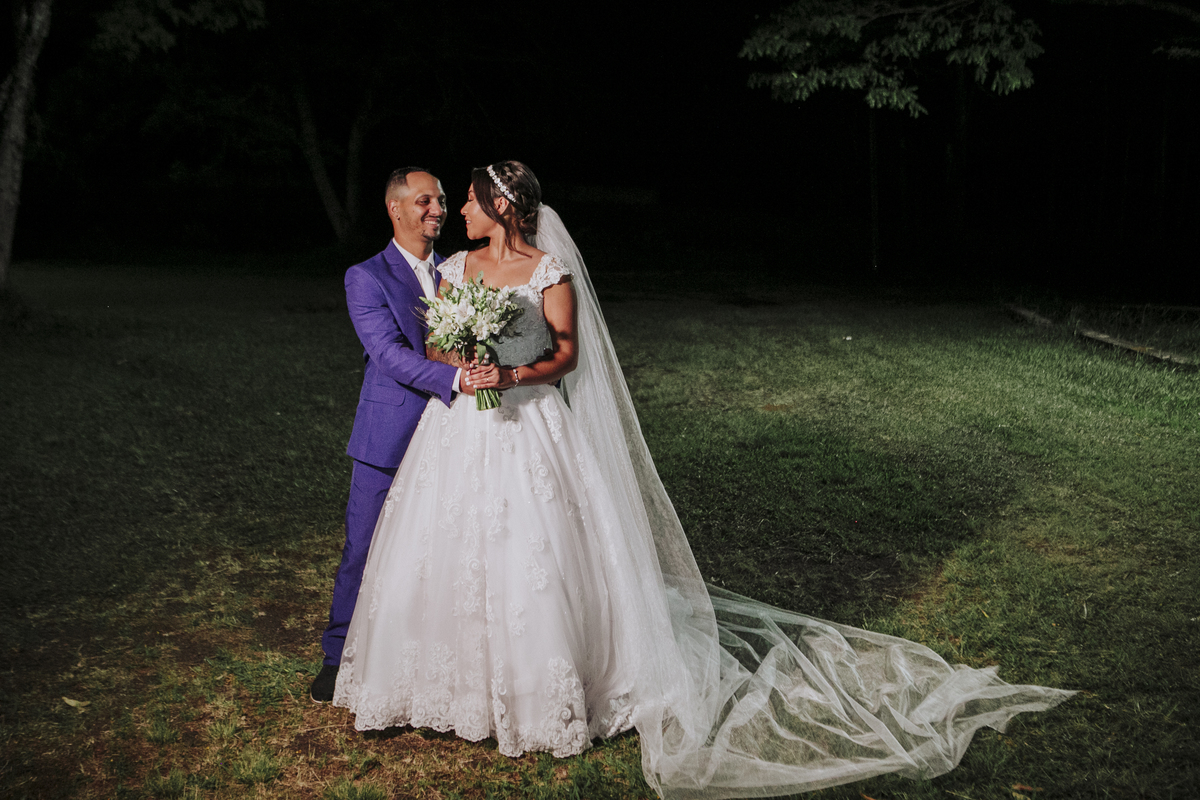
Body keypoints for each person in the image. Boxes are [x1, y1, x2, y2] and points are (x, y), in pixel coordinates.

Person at [332, 161, 1074, 798]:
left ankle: (537, 690)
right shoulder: (456, 271)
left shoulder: (549, 270)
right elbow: (436, 345)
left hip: (531, 423)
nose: (457, 210)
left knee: (536, 549)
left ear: (499, 205)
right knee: (450, 547)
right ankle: (445, 684)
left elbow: (565, 357)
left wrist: (511, 372)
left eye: (465, 198)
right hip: (462, 428)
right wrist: (466, 360)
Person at [310, 167, 468, 703]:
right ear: (394, 208)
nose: (437, 209)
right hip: (389, 431)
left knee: (441, 545)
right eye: (424, 201)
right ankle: (337, 656)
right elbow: (387, 354)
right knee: (364, 545)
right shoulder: (366, 276)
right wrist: (456, 379)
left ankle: (425, 652)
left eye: (441, 200)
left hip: (455, 429)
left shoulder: (460, 270)